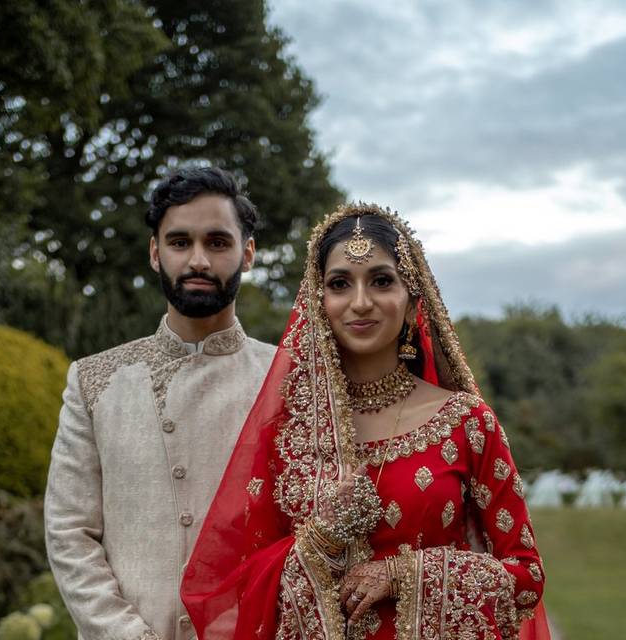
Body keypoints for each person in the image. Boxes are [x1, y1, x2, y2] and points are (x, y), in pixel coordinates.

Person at [181, 203, 550, 640]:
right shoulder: (287, 432)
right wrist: (319, 542)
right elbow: (233, 580)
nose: (360, 302)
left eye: (381, 281)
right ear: (320, 303)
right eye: (340, 284)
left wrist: (404, 574)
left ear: (414, 302)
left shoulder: (468, 423)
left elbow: (525, 577)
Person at [45, 167, 276, 640]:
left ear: (247, 253)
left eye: (217, 242)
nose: (197, 260)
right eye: (179, 242)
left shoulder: (289, 378)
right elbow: (70, 534)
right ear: (155, 252)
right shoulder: (94, 381)